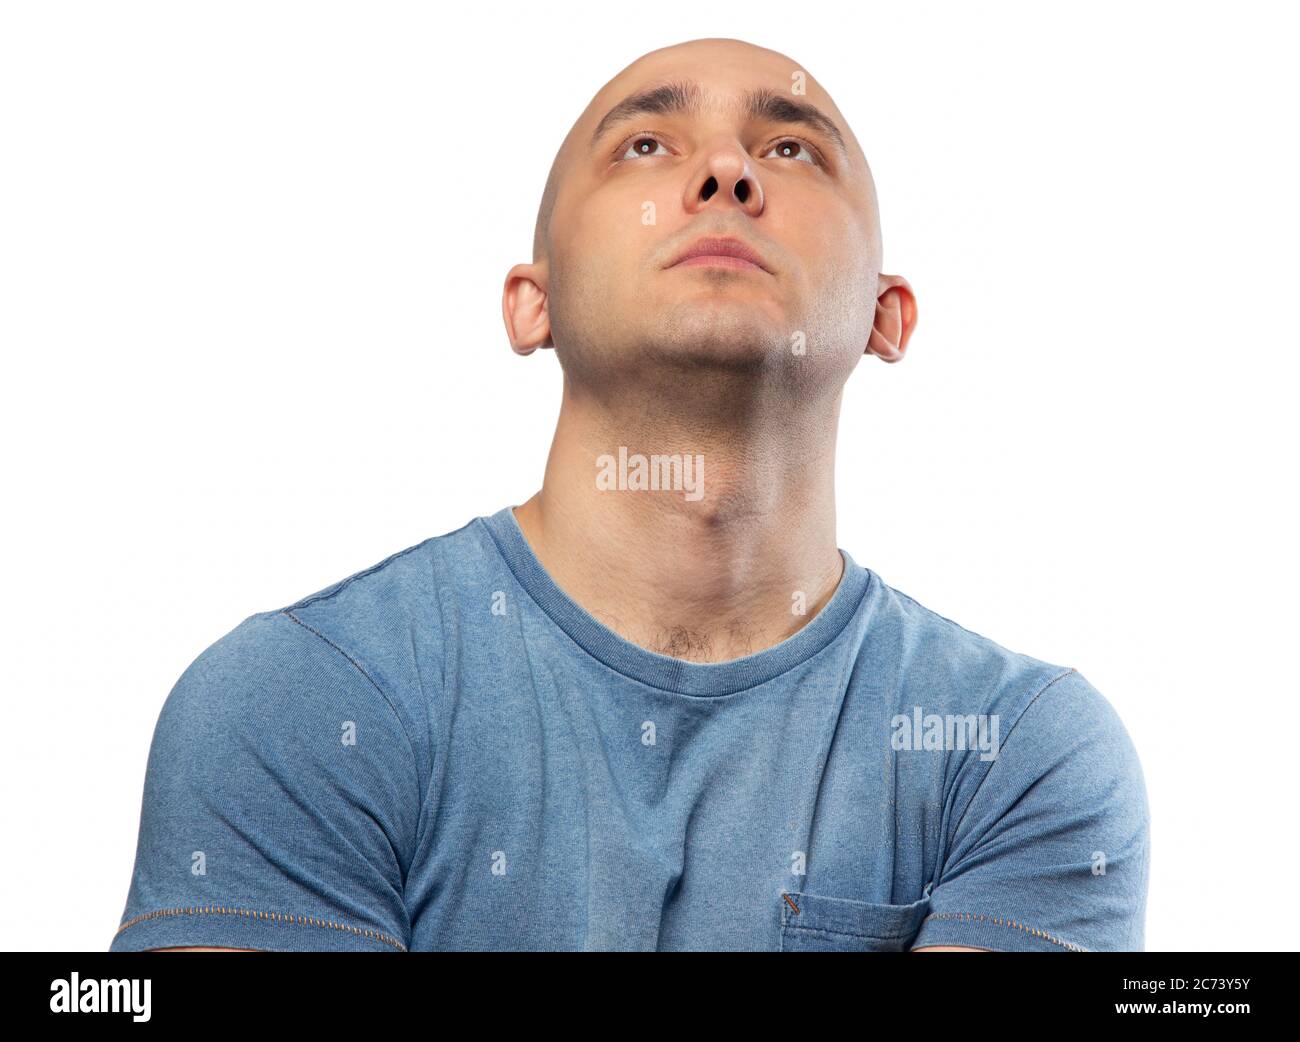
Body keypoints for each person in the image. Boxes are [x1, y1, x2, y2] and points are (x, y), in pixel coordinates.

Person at [109, 37, 1149, 952]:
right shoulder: (298, 701)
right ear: (533, 303)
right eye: (645, 146)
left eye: (791, 149)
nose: (727, 172)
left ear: (888, 317)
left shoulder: (1015, 750)